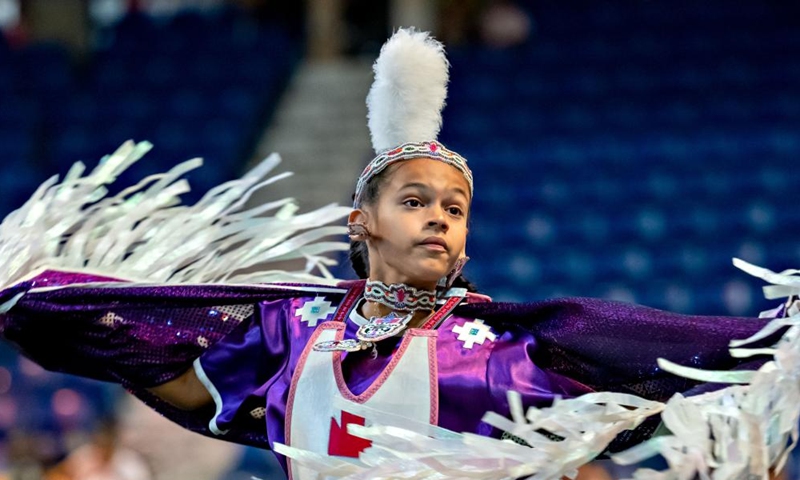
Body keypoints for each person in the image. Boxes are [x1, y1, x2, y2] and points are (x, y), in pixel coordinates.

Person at [0, 29, 796, 479]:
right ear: (363, 222)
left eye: (455, 208)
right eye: (415, 202)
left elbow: (718, 350)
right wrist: (24, 297)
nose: (440, 220)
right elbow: (126, 334)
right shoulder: (285, 335)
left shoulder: (521, 344)